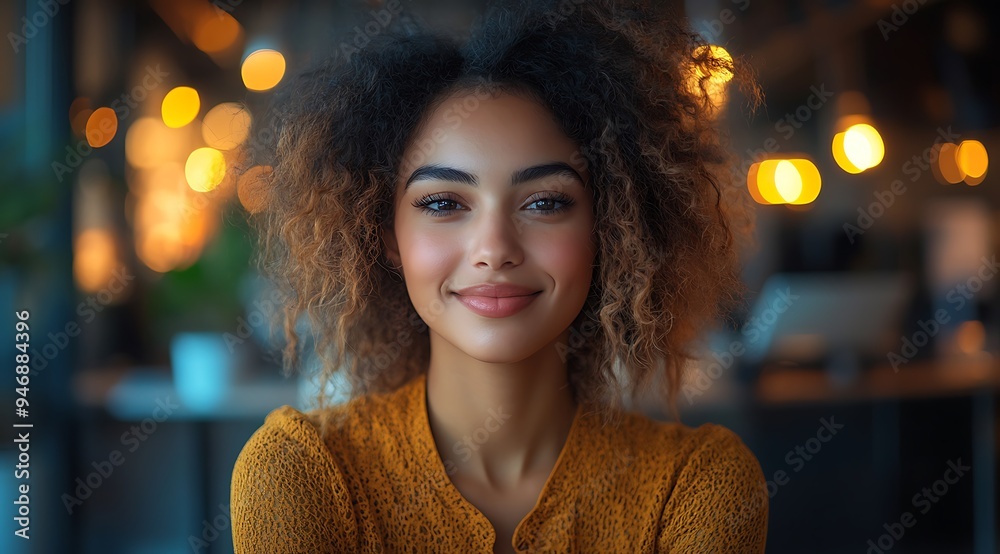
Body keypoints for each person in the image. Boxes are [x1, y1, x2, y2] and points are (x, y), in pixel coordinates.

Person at [231, 0, 767, 551]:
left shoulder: (697, 486)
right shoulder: (302, 476)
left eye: (545, 202)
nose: (494, 249)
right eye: (442, 203)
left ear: (610, 227)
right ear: (386, 236)